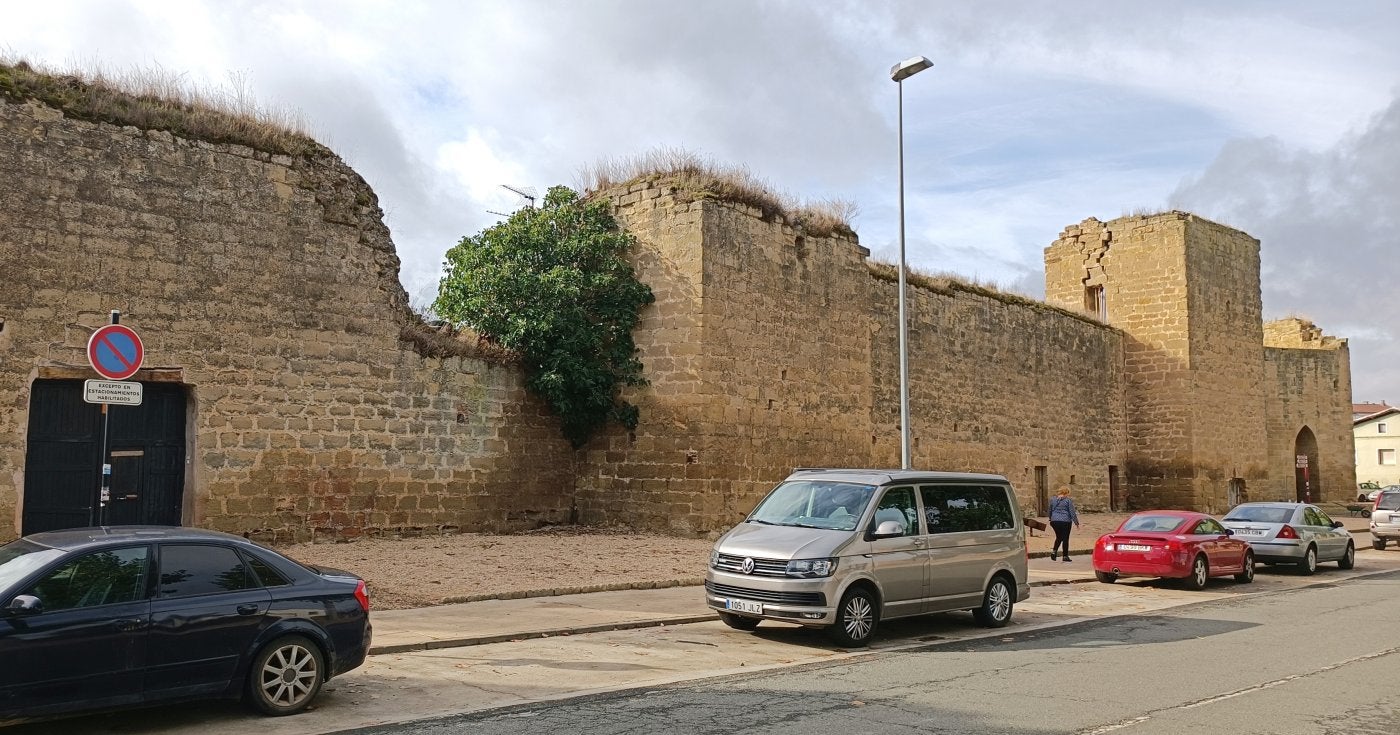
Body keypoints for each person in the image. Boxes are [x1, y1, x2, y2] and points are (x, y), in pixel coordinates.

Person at [1048, 487, 1081, 562]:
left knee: (1059, 537)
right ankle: (1065, 556)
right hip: (1065, 521)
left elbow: (1050, 510)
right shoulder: (1068, 501)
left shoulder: (1053, 500)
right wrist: (1076, 523)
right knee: (1065, 538)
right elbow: (1072, 512)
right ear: (1066, 493)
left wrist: (1051, 518)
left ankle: (1054, 551)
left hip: (1054, 521)